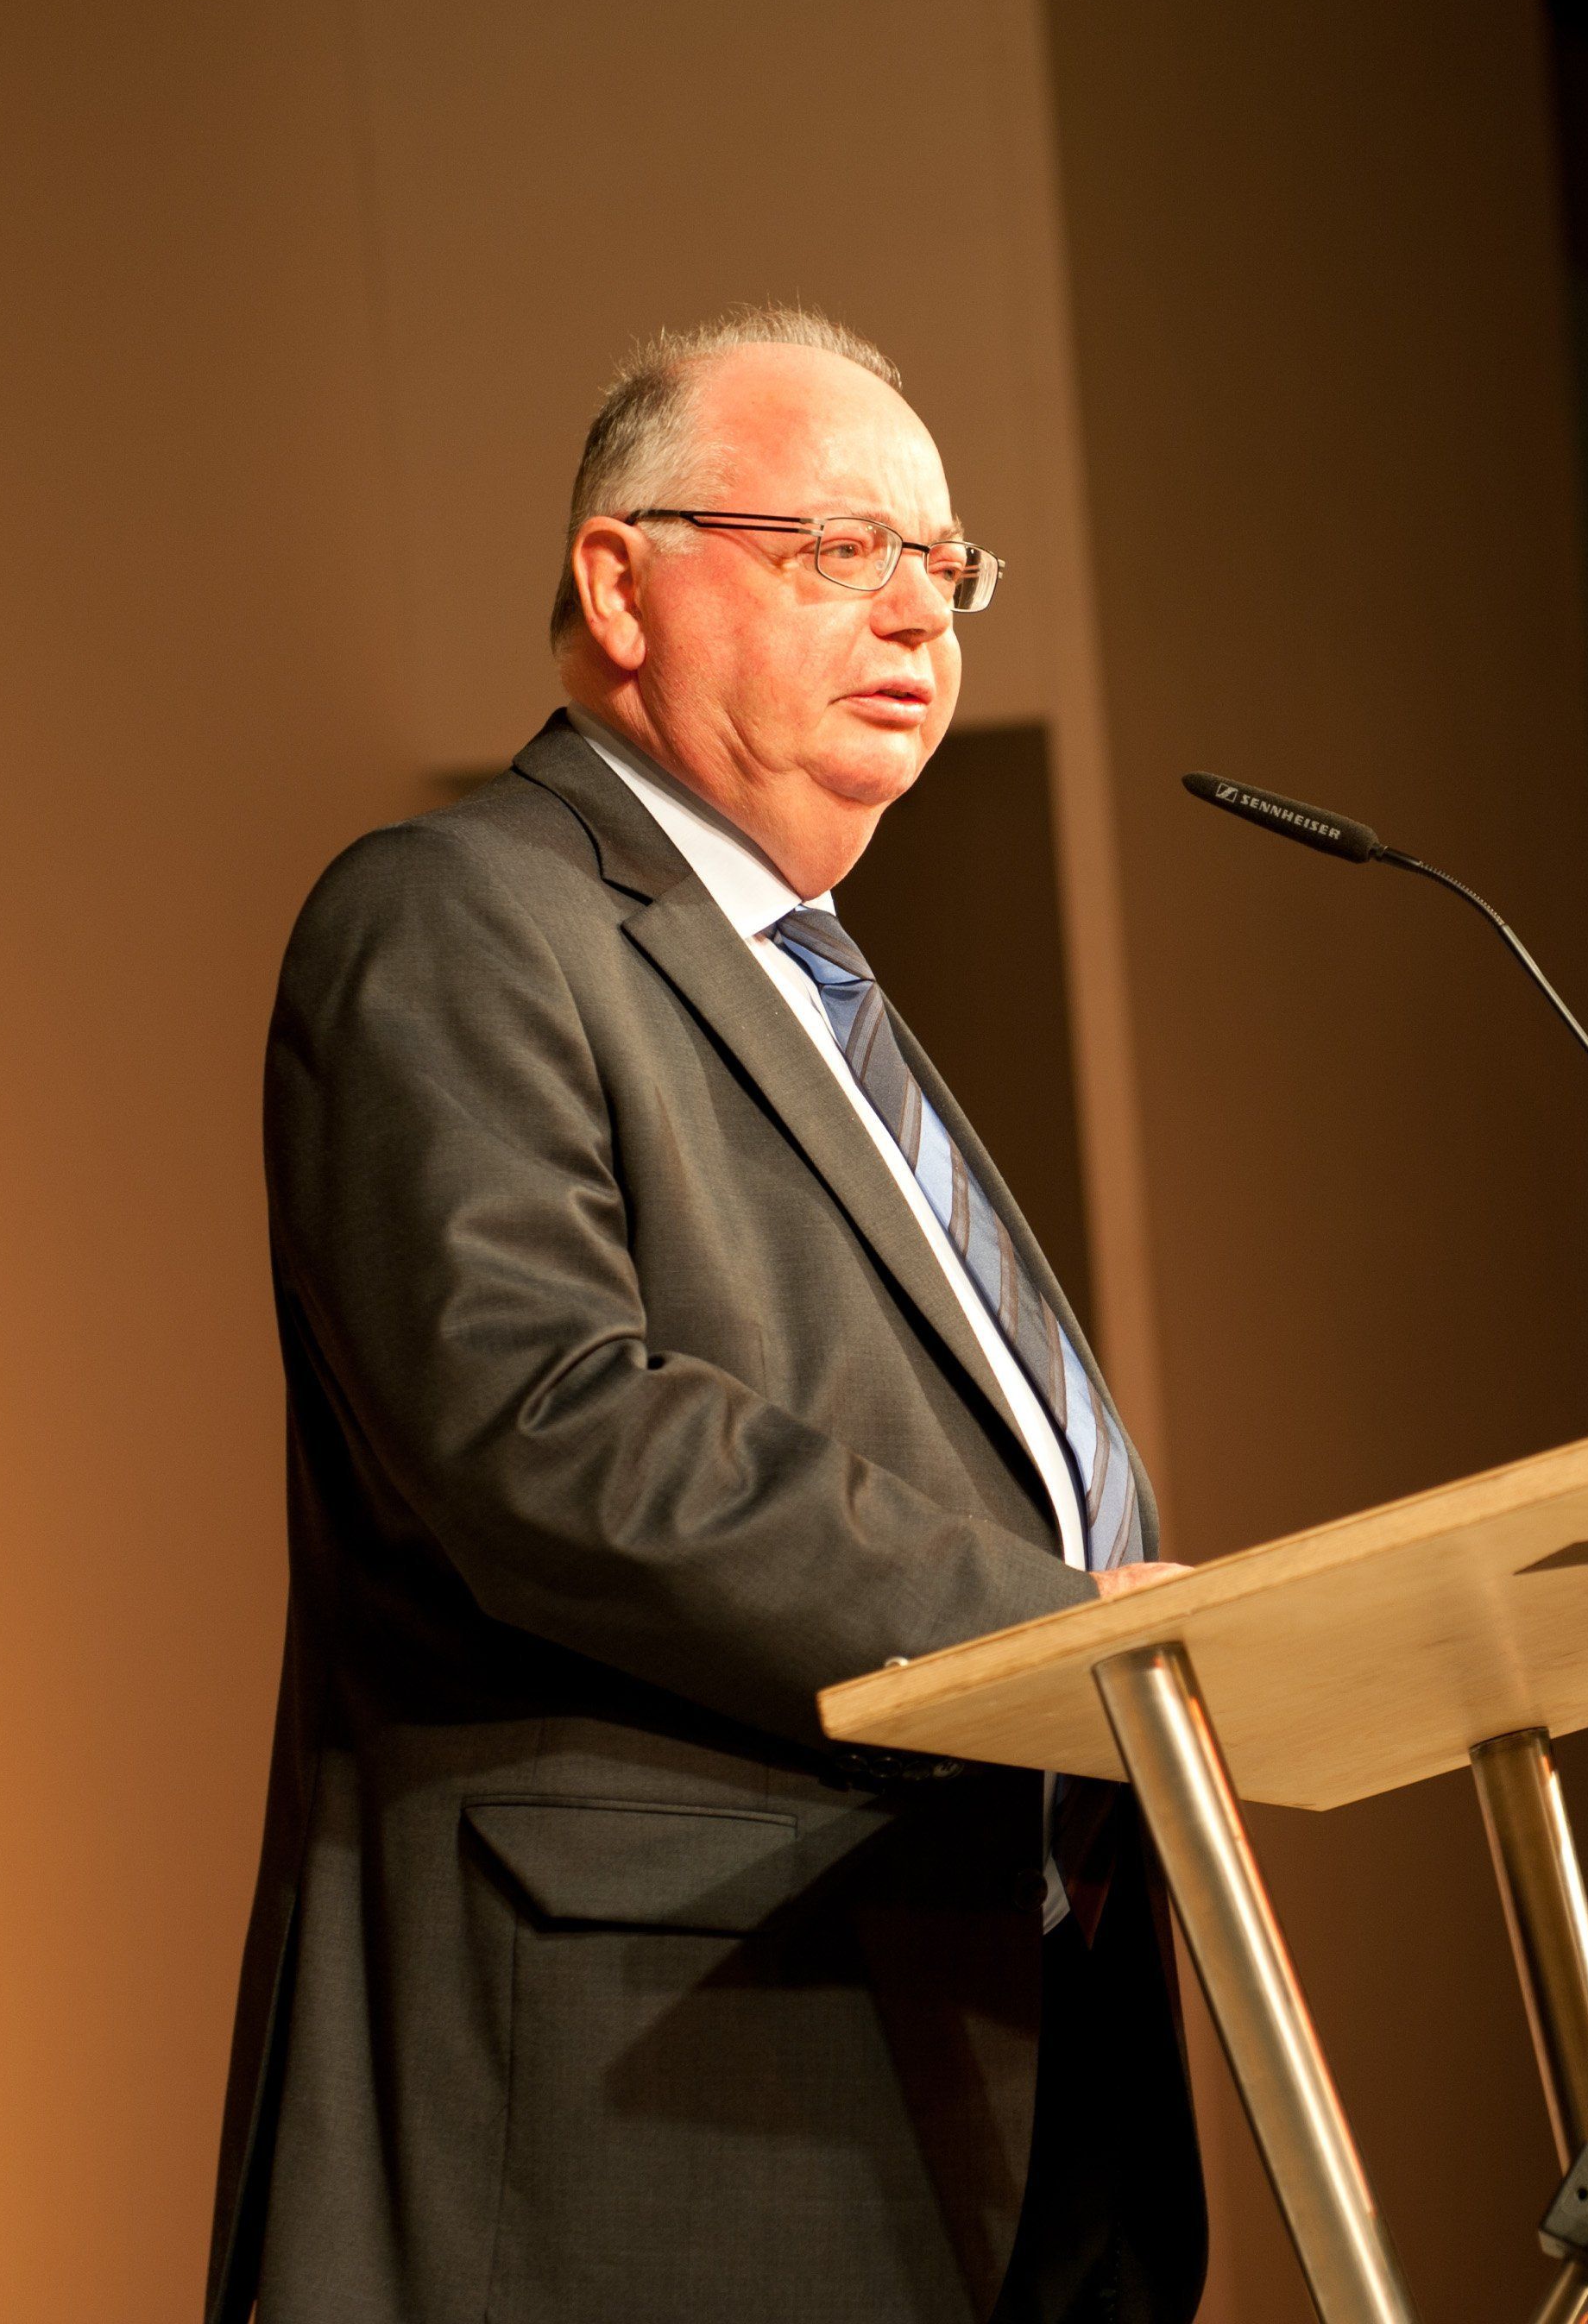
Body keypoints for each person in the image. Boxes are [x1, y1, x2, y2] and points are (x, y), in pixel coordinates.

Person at [205, 305, 1204, 2324]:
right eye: (841, 550)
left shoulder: (815, 996)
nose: (917, 615)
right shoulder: (462, 913)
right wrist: (1052, 1636)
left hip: (978, 2062)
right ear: (619, 582)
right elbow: (539, 1423)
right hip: (656, 2089)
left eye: (945, 567)